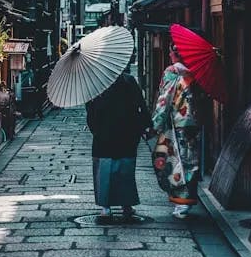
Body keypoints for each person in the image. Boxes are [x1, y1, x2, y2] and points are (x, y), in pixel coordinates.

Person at [86, 69, 151, 218]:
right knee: (125, 170)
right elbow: (141, 104)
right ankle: (126, 205)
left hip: (104, 134)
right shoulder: (128, 80)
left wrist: (95, 129)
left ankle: (106, 207)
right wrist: (144, 125)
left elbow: (90, 110)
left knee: (105, 170)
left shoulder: (96, 83)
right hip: (126, 132)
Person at [151, 43, 202, 219]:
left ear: (174, 54)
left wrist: (156, 123)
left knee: (174, 162)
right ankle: (185, 202)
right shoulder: (193, 72)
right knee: (190, 162)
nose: (170, 54)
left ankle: (180, 202)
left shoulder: (172, 71)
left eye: (172, 52)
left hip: (175, 123)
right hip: (192, 124)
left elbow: (164, 99)